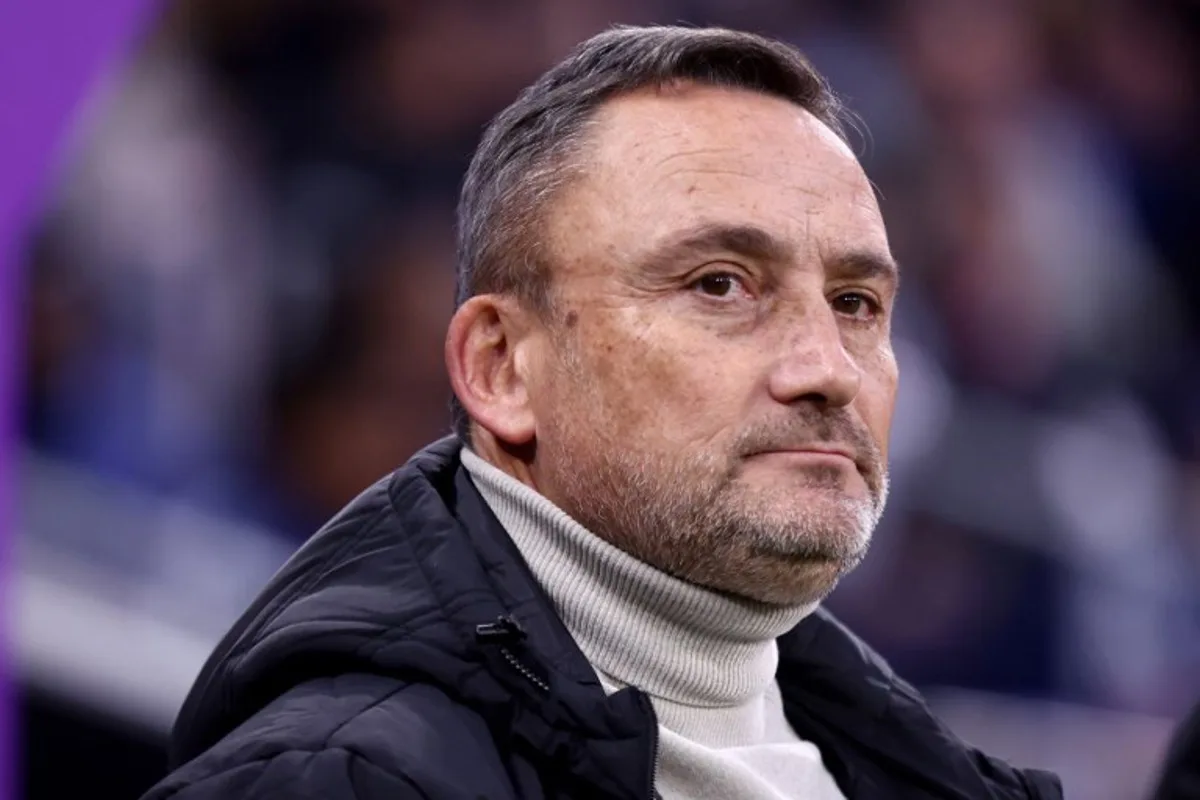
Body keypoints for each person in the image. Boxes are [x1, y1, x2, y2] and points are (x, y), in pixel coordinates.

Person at [142, 26, 1063, 799]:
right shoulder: (335, 781)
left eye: (857, 303)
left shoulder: (918, 770)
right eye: (720, 284)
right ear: (501, 368)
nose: (827, 368)